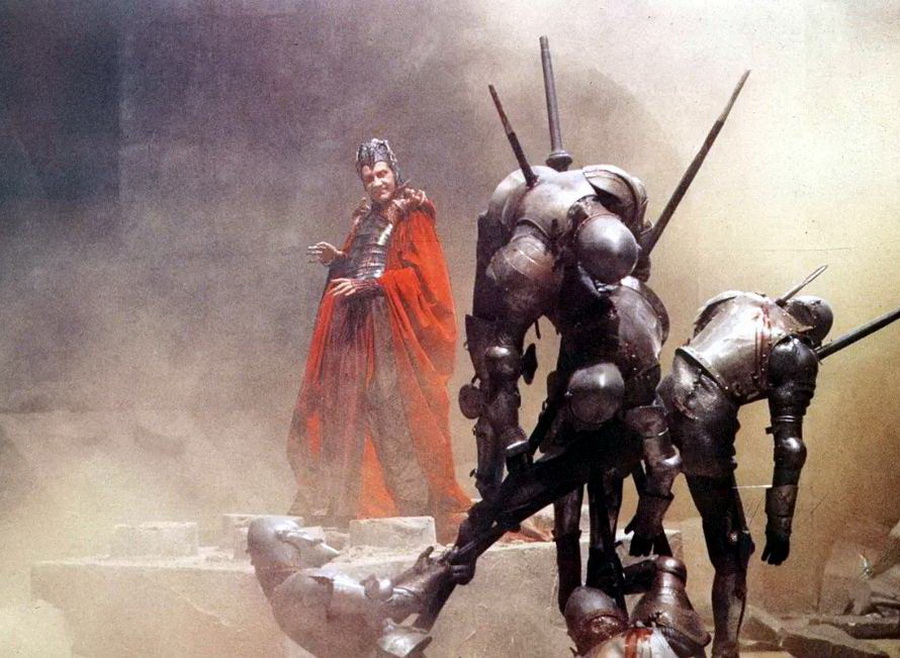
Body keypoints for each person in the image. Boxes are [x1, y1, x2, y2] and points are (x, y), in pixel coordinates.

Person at [286, 139, 470, 537]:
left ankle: (409, 503)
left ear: (394, 172)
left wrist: (372, 285)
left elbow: (424, 277)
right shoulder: (365, 219)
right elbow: (361, 264)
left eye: (382, 174)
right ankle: (352, 502)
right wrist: (339, 260)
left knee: (391, 406)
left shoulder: (413, 215)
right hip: (358, 326)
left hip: (390, 329)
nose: (376, 183)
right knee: (348, 408)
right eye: (369, 178)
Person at [657, 291, 833, 657]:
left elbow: (700, 339)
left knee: (653, 519)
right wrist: (780, 525)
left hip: (663, 397)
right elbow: (790, 447)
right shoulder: (794, 350)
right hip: (702, 421)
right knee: (734, 548)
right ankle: (726, 649)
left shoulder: (738, 301)